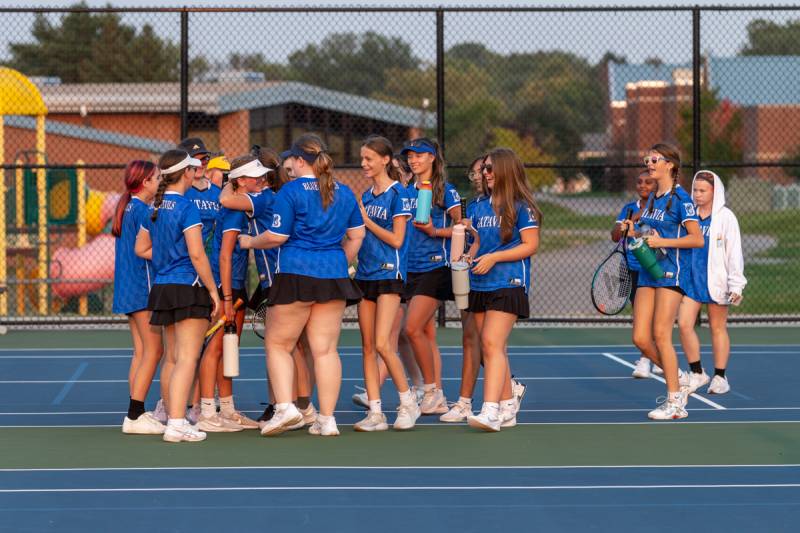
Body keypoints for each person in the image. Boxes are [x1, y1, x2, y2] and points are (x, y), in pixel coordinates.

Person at [239, 134, 364, 437]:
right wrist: (336, 262)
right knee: (325, 350)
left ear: (298, 160)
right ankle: (327, 419)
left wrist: (249, 241)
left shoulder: (291, 192)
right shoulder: (344, 191)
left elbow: (277, 237)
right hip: (332, 277)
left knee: (278, 343)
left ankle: (285, 408)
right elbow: (357, 236)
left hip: (296, 273)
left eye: (289, 160)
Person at [134, 149, 221, 442]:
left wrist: (166, 259)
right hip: (188, 287)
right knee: (187, 358)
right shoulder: (186, 208)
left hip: (162, 287)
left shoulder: (154, 208)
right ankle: (176, 422)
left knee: (172, 358)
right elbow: (197, 254)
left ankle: (171, 417)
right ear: (186, 173)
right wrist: (212, 290)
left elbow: (141, 249)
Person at [621, 143, 704, 420]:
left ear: (670, 164)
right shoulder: (653, 198)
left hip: (672, 272)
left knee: (660, 334)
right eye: (647, 159)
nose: (649, 163)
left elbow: (696, 238)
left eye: (654, 159)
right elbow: (650, 231)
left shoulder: (682, 200)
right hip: (649, 270)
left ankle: (675, 403)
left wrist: (662, 241)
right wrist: (636, 230)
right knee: (641, 338)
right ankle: (678, 377)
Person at [462, 148, 541, 432]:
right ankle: (508, 405)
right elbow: (478, 244)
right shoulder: (478, 205)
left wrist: (494, 258)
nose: (486, 173)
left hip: (508, 282)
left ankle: (490, 410)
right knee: (490, 346)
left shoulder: (521, 206)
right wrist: (469, 256)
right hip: (480, 282)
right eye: (484, 169)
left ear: (506, 170)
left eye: (491, 168)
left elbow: (530, 244)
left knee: (492, 343)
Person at [196, 154, 268, 433]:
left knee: (228, 349)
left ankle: (226, 410)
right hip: (228, 285)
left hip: (234, 283)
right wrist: (226, 298)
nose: (260, 180)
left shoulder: (238, 203)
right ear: (240, 181)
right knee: (215, 349)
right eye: (254, 177)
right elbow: (225, 256)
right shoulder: (236, 211)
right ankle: (206, 412)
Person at [353, 135, 419, 431]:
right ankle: (376, 413)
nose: (364, 163)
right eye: (362, 158)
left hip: (389, 274)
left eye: (369, 158)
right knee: (367, 346)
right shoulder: (366, 196)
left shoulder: (398, 194)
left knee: (382, 343)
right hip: (365, 274)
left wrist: (366, 222)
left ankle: (408, 403)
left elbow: (396, 239)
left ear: (384, 160)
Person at [401, 138, 461, 416]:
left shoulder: (446, 191)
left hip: (435, 267)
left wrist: (435, 231)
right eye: (410, 156)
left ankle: (431, 391)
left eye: (420, 155)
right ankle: (435, 393)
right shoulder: (405, 191)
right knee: (423, 333)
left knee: (411, 329)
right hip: (409, 267)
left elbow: (463, 229)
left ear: (433, 158)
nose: (414, 160)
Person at [678, 170, 746, 395]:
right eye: (695, 190)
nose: (697, 194)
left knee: (717, 328)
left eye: (702, 190)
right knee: (685, 324)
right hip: (691, 282)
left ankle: (720, 377)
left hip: (716, 282)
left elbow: (734, 253)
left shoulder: (726, 217)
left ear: (714, 191)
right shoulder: (689, 215)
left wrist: (736, 285)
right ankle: (697, 372)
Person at [113, 161, 164, 434]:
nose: (159, 182)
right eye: (157, 178)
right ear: (145, 182)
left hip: (127, 287)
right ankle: (135, 414)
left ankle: (137, 410)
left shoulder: (128, 207)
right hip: (141, 288)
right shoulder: (144, 211)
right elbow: (146, 250)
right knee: (155, 350)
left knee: (141, 351)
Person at [440, 155, 486, 423]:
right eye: (475, 173)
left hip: (497, 280)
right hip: (471, 277)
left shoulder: (507, 206)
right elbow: (470, 242)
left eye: (484, 171)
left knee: (488, 341)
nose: (479, 176)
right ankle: (465, 402)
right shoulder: (475, 205)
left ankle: (506, 392)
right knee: (470, 338)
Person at [611, 171, 659, 378]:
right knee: (640, 315)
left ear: (656, 185)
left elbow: (659, 236)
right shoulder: (628, 209)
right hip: (632, 266)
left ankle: (654, 357)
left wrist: (637, 228)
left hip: (655, 266)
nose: (643, 186)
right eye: (639, 182)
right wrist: (622, 227)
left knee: (657, 316)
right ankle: (645, 358)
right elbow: (615, 235)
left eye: (648, 182)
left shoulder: (661, 209)